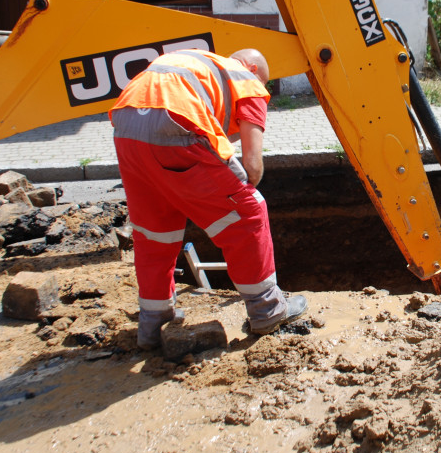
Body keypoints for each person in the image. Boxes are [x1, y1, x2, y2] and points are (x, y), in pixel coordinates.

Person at [109, 47, 307, 348]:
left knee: (154, 232)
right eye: (264, 84)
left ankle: (153, 323)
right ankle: (267, 309)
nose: (261, 90)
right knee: (249, 211)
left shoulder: (200, 65)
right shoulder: (246, 79)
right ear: (253, 70)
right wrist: (233, 194)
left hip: (126, 126)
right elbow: (252, 165)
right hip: (177, 123)